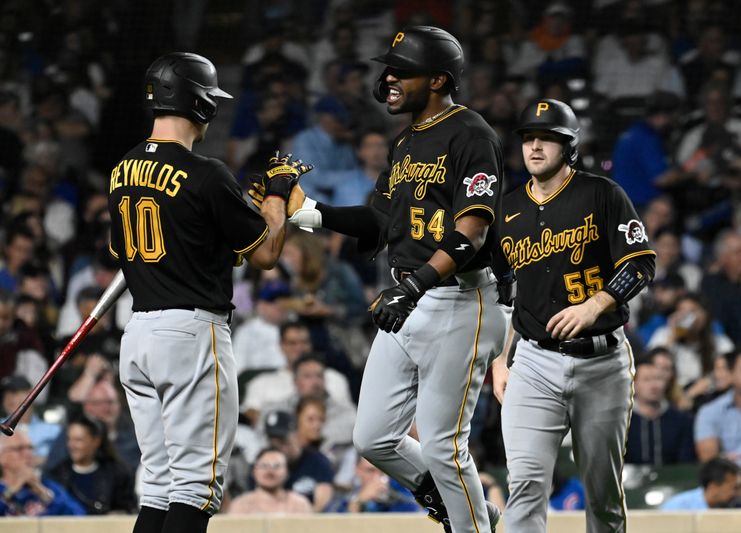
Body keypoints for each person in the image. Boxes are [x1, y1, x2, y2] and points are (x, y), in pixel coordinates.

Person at [278, 26, 507, 532]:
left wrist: (415, 284)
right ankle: (458, 506)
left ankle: (471, 525)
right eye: (391, 68)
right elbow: (378, 222)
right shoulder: (404, 143)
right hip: (413, 296)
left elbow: (473, 226)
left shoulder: (471, 133)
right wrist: (308, 213)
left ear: (440, 79)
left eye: (405, 70)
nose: (391, 78)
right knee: (373, 438)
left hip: (460, 299)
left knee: (445, 446)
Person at [107, 52, 308, 533]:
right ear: (200, 104)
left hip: (138, 335)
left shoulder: (119, 171)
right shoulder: (207, 173)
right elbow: (264, 255)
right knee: (195, 488)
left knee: (158, 486)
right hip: (192, 334)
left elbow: (124, 252)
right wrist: (278, 196)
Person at [491, 98, 656, 533]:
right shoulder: (506, 211)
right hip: (533, 362)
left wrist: (597, 302)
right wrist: (497, 359)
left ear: (569, 147)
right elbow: (501, 294)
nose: (535, 147)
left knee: (601, 494)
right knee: (524, 484)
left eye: (547, 138)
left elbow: (641, 263)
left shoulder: (602, 194)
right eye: (528, 138)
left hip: (602, 362)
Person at [47, 414, 137, 514]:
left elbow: (129, 507)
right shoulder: (57, 475)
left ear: (96, 441)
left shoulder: (118, 473)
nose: (71, 445)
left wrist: (119, 514)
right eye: (69, 439)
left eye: (78, 440)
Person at [626, 356, 695, 465]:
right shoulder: (620, 423)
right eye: (646, 380)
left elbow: (686, 464)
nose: (654, 386)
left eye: (658, 379)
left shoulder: (683, 421)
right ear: (634, 384)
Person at [0, 428, 85, 516]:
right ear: (2, 457)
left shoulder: (48, 486)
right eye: (19, 449)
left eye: (30, 448)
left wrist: (42, 492)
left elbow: (78, 516)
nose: (28, 453)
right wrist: (12, 491)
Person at [264, 410, 335, 512]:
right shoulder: (262, 464)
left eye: (282, 439)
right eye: (272, 440)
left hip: (309, 522)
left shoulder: (317, 461)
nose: (277, 445)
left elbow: (323, 501)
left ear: (296, 434)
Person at [226, 448, 312, 514]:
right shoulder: (240, 505)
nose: (270, 471)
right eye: (264, 466)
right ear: (253, 471)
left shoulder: (300, 505)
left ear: (287, 472)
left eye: (276, 466)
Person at [331, 456, 422, 513]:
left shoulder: (401, 493)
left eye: (382, 471)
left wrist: (392, 498)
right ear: (357, 470)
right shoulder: (344, 496)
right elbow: (333, 526)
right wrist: (358, 502)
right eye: (370, 471)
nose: (376, 477)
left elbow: (420, 515)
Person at [660, 457, 741, 510]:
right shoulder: (678, 507)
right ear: (713, 487)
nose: (739, 493)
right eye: (735, 488)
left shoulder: (738, 508)